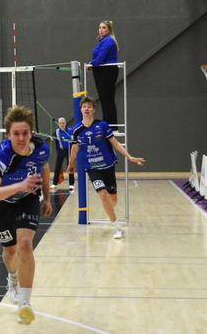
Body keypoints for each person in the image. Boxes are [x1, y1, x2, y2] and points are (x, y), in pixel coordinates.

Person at [0, 105, 52, 325]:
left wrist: (47, 197)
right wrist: (20, 185)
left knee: (25, 244)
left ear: (32, 132)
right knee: (10, 250)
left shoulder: (41, 148)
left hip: (27, 198)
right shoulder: (2, 156)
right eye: (16, 134)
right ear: (8, 135)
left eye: (25, 133)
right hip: (0, 203)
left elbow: (44, 167)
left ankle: (25, 303)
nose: (21, 138)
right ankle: (12, 278)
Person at [69, 96, 146, 240]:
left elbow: (115, 144)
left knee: (113, 200)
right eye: (84, 106)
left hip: (108, 166)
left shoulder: (103, 125)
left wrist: (129, 157)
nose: (86, 109)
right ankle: (117, 227)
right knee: (103, 195)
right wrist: (71, 164)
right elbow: (74, 148)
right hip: (92, 168)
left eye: (89, 106)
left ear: (93, 110)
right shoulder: (76, 130)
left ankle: (109, 210)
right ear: (81, 110)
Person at [88, 20, 120, 124]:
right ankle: (109, 123)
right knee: (106, 100)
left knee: (107, 100)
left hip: (106, 72)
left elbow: (100, 58)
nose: (101, 30)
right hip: (103, 71)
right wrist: (92, 63)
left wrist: (91, 64)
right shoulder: (104, 40)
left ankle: (110, 125)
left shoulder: (108, 41)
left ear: (109, 30)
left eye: (104, 28)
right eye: (100, 27)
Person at [51, 117, 75, 192]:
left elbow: (74, 140)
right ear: (58, 124)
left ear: (65, 123)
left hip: (69, 150)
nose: (62, 125)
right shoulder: (57, 132)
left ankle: (71, 184)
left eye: (63, 123)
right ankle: (54, 183)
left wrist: (72, 138)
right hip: (61, 151)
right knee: (57, 167)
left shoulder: (70, 130)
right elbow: (55, 141)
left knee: (70, 167)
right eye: (60, 123)